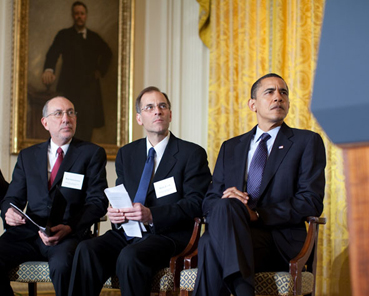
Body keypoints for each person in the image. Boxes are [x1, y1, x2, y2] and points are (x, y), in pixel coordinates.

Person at [68, 86, 211, 296]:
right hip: (129, 231)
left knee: (130, 256)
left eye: (162, 106)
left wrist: (152, 215)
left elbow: (196, 202)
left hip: (168, 235)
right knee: (86, 250)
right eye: (150, 107)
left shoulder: (191, 153)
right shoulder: (127, 153)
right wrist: (116, 214)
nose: (157, 111)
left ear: (170, 115)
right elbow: (122, 196)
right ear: (139, 118)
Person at [192, 73, 327, 296]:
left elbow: (310, 201)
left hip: (279, 240)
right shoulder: (231, 147)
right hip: (237, 234)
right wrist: (228, 199)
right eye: (270, 92)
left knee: (209, 243)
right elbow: (209, 201)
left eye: (283, 92)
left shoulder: (306, 142)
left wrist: (258, 215)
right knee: (225, 207)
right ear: (252, 104)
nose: (278, 98)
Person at [0, 96, 108, 296]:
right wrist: (8, 212)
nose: (66, 118)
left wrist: (70, 228)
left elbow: (98, 201)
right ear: (45, 122)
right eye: (58, 113)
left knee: (63, 266)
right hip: (27, 234)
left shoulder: (91, 154)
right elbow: (12, 198)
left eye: (71, 113)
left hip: (66, 234)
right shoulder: (28, 156)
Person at [42, 1, 112, 142]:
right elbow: (53, 53)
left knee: (87, 124)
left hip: (89, 90)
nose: (79, 16)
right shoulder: (64, 35)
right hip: (70, 88)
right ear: (73, 16)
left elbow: (108, 53)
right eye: (76, 14)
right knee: (67, 123)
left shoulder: (94, 37)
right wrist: (49, 69)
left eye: (82, 13)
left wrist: (100, 70)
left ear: (85, 16)